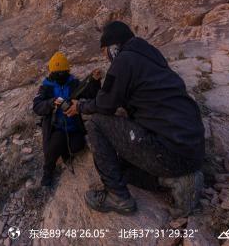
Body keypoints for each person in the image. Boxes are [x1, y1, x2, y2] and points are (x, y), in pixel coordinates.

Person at [65, 21, 205, 217]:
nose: (105, 56)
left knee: (96, 122)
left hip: (171, 153)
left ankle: (118, 197)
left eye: (104, 50)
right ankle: (177, 180)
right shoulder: (151, 55)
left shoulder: (123, 61)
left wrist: (80, 106)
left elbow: (105, 104)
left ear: (114, 47)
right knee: (121, 166)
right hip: (192, 151)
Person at [33, 52, 102, 187]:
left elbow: (91, 94)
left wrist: (94, 81)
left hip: (73, 126)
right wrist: (51, 103)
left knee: (78, 145)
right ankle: (48, 172)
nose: (60, 76)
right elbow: (37, 106)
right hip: (56, 127)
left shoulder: (74, 83)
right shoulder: (46, 87)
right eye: (57, 73)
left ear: (67, 71)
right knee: (54, 145)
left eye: (62, 72)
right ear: (51, 72)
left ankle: (64, 152)